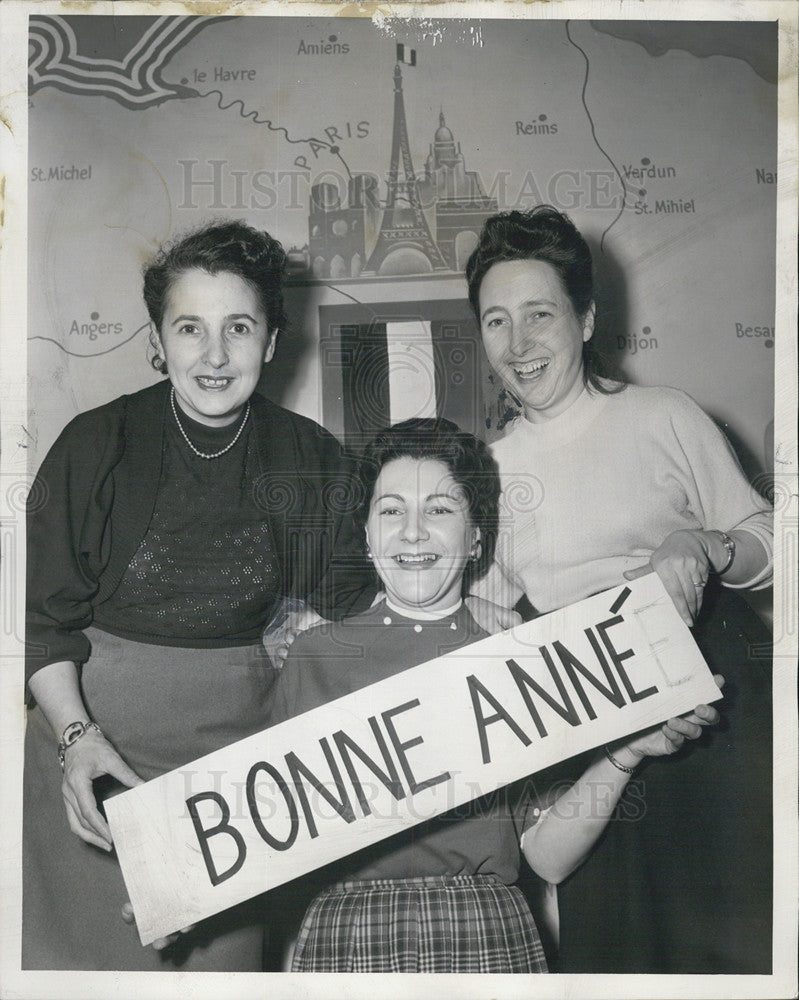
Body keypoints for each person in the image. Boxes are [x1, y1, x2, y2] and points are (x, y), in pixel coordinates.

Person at [23, 220, 375, 971]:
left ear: (272, 341)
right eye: (190, 328)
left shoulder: (309, 458)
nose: (214, 356)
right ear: (158, 338)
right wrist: (78, 744)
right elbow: (42, 626)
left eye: (238, 328)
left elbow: (360, 604)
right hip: (91, 754)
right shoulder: (95, 444)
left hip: (230, 775)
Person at [262, 417, 722, 974]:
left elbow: (547, 859)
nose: (412, 532)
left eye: (438, 509)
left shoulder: (522, 661)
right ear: (364, 533)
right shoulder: (312, 657)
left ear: (477, 535)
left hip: (486, 933)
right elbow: (259, 846)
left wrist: (627, 752)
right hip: (349, 938)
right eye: (390, 510)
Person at [465, 206, 774, 974]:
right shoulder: (486, 474)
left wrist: (699, 546)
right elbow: (484, 618)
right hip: (594, 725)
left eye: (540, 314)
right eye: (496, 321)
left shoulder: (662, 415)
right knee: (620, 948)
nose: (518, 343)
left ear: (586, 317)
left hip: (724, 702)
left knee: (745, 940)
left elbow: (774, 548)